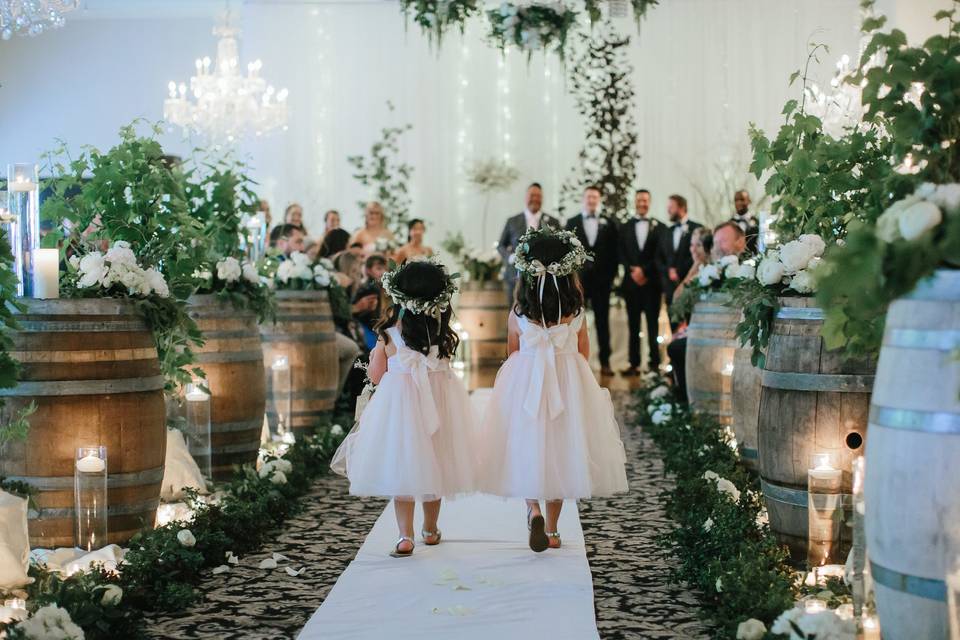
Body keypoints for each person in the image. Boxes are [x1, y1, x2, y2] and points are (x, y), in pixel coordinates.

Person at [479, 228, 628, 553]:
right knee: (562, 450)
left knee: (527, 446)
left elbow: (513, 351)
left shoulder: (519, 313)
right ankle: (554, 529)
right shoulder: (575, 312)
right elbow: (584, 353)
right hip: (566, 381)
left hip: (527, 382)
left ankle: (532, 509)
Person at [331, 258, 476, 557]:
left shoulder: (389, 336)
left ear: (399, 297)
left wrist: (375, 356)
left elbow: (375, 376)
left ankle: (404, 536)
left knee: (403, 467)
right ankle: (431, 529)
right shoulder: (443, 335)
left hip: (400, 409)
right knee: (436, 463)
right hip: (438, 405)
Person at [668, 223, 743, 401]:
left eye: (698, 245)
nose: (694, 249)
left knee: (677, 347)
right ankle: (686, 396)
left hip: (721, 333)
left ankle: (686, 398)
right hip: (705, 330)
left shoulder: (718, 269)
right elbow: (676, 299)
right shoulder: (706, 271)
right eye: (691, 245)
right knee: (677, 345)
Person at [565, 186, 619, 376]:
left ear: (599, 200)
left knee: (603, 323)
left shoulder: (609, 224)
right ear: (583, 199)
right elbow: (567, 254)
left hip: (603, 283)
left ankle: (606, 362)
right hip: (578, 283)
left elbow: (615, 254)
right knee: (574, 321)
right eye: (589, 197)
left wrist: (610, 278)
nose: (592, 200)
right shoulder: (571, 223)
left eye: (595, 197)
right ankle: (574, 362)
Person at [619, 189, 665, 376]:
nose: (642, 203)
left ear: (650, 202)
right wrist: (633, 270)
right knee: (633, 326)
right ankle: (634, 363)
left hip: (651, 284)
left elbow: (660, 255)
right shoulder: (624, 227)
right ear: (635, 202)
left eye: (645, 200)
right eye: (639, 200)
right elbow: (620, 252)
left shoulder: (660, 228)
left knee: (653, 325)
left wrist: (644, 271)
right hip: (631, 284)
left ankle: (655, 363)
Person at [497, 182, 561, 305]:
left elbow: (558, 246)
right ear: (525, 197)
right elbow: (501, 245)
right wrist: (510, 257)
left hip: (544, 278)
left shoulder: (553, 221)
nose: (535, 199)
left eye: (538, 196)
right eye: (532, 195)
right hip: (515, 276)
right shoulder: (512, 221)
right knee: (515, 312)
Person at [656, 194, 702, 328]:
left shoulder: (697, 228)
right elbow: (658, 257)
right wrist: (668, 270)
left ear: (681, 208)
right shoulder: (666, 231)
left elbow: (700, 255)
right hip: (671, 289)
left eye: (671, 207)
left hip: (691, 286)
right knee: (674, 328)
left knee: (692, 326)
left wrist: (679, 271)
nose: (668, 210)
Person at [729, 190, 759, 254]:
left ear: (749, 201)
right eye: (736, 200)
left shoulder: (757, 221)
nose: (739, 203)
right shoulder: (729, 224)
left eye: (742, 199)